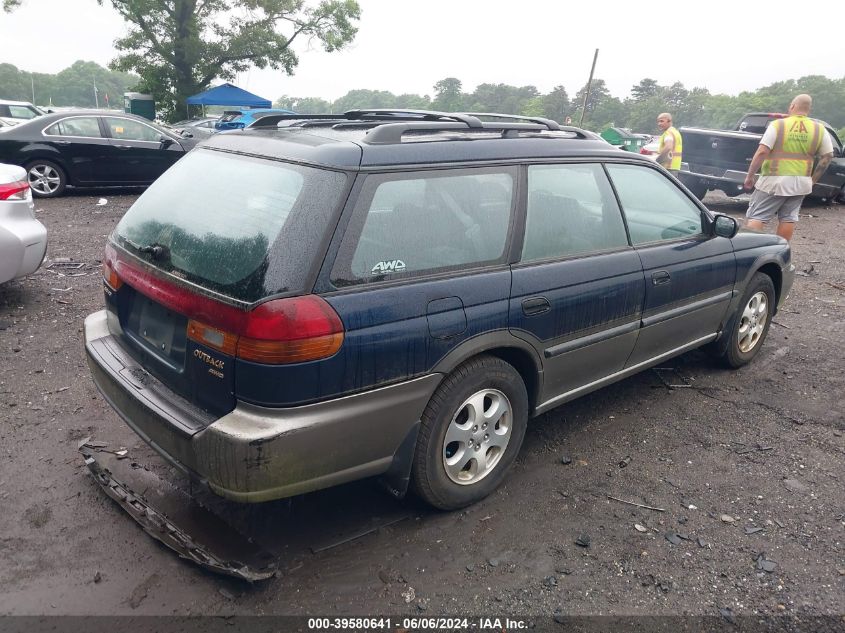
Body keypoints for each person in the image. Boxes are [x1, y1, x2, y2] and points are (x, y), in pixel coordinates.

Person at [743, 94, 834, 242]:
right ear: (808, 109)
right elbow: (828, 155)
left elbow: (762, 151)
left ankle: (748, 251)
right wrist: (813, 180)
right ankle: (780, 252)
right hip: (801, 183)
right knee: (788, 218)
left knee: (757, 216)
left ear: (792, 106)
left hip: (774, 180)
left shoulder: (779, 125)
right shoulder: (819, 129)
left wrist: (750, 176)